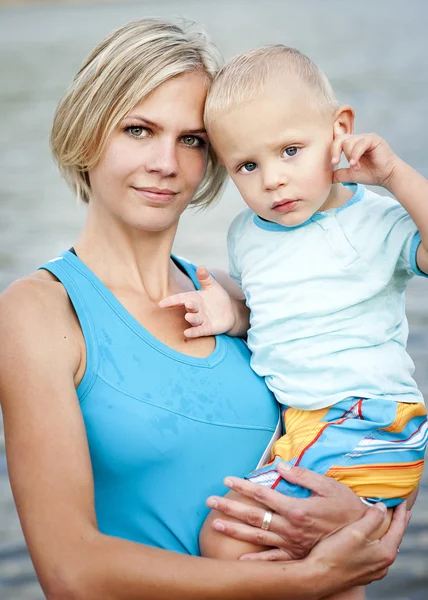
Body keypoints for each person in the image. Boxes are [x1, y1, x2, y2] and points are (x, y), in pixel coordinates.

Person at [0, 20, 409, 600]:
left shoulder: (241, 297)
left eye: (191, 139)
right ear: (88, 133)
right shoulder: (40, 312)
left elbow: (371, 408)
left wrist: (365, 518)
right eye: (138, 130)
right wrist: (307, 578)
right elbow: (72, 572)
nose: (166, 162)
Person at [159, 45, 427, 598]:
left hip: (366, 419)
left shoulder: (374, 221)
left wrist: (395, 175)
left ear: (340, 130)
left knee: (226, 537)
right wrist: (232, 314)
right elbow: (278, 317)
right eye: (248, 166)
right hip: (310, 425)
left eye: (290, 150)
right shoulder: (248, 235)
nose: (273, 180)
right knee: (289, 553)